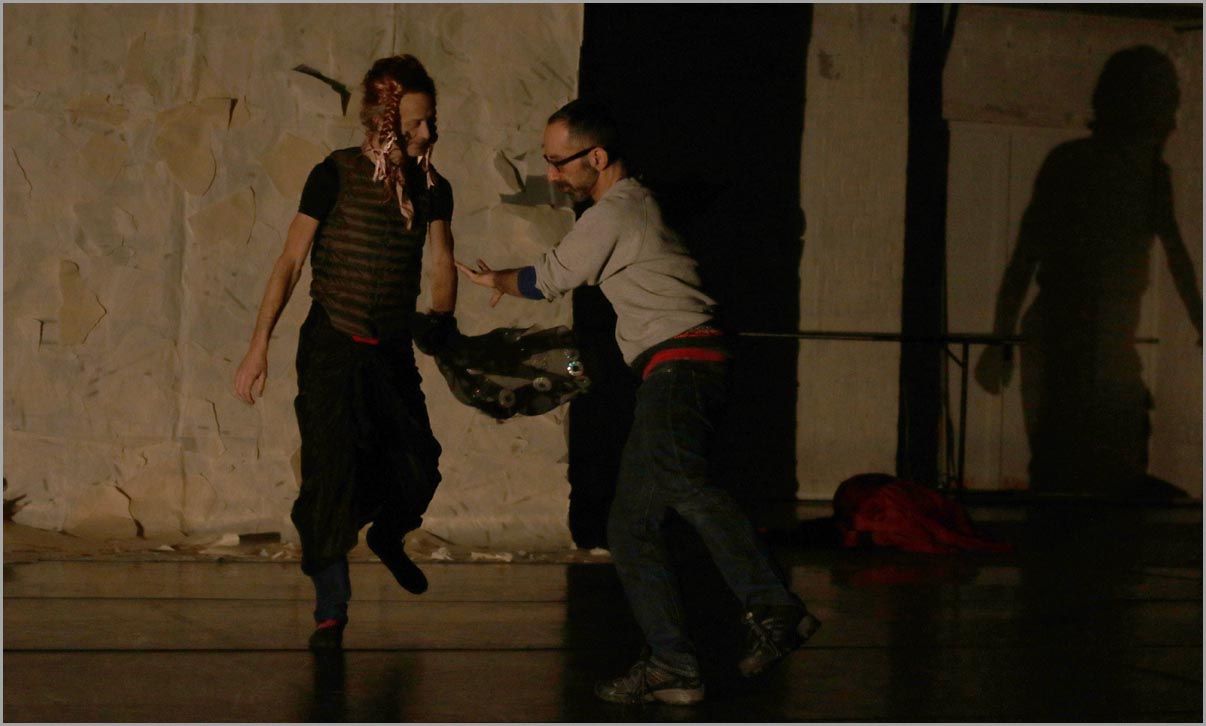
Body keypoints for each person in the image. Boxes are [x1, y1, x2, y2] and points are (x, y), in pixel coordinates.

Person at [456, 99, 820, 705]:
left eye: (559, 162)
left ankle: (776, 606)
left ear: (597, 157)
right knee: (629, 528)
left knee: (682, 478)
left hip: (684, 362)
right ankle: (675, 666)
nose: (552, 174)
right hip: (671, 366)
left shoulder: (617, 210)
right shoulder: (625, 208)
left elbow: (549, 278)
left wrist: (494, 279)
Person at [234, 54, 458, 651]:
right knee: (329, 474)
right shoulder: (334, 173)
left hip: (390, 348)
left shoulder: (433, 189)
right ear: (384, 123)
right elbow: (290, 261)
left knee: (418, 463)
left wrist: (442, 323)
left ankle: (387, 534)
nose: (427, 133)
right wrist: (258, 347)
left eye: (431, 121)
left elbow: (441, 261)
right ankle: (331, 607)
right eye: (414, 124)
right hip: (333, 343)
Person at [975, 45, 1202, 498]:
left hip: (1096, 337)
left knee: (1095, 460)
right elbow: (1026, 256)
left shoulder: (1137, 172)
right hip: (1069, 336)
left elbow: (1175, 253)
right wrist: (998, 340)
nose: (1171, 120)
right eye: (1166, 104)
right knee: (1075, 462)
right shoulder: (1097, 167)